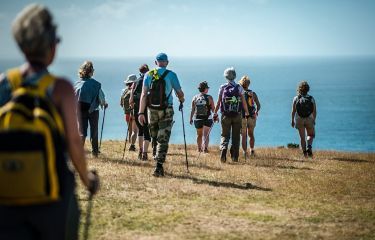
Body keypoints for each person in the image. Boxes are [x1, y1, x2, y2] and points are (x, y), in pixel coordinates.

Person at [0, 4, 99, 239]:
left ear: (22, 46)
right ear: (52, 48)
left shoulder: (4, 82)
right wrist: (89, 180)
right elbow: (75, 143)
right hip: (50, 196)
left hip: (6, 194)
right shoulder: (60, 88)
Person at [138, 53, 185, 177]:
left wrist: (140, 112)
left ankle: (155, 152)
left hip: (151, 110)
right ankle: (158, 166)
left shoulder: (148, 75)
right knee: (163, 138)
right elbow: (179, 92)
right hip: (166, 110)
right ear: (167, 62)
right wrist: (182, 99)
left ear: (155, 62)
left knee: (154, 135)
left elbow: (143, 94)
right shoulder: (172, 75)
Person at [213, 67, 250, 162]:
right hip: (237, 115)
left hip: (225, 115)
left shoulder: (222, 87)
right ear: (235, 76)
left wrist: (215, 112)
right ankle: (234, 157)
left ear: (226, 77)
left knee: (224, 135)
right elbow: (244, 102)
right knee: (236, 136)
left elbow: (218, 102)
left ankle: (223, 149)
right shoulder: (239, 87)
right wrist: (247, 112)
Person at [74, 61, 108, 157]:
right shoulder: (96, 84)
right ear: (90, 72)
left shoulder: (77, 84)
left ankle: (79, 152)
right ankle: (95, 152)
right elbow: (101, 97)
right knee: (94, 132)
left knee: (82, 132)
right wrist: (104, 104)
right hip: (93, 110)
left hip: (80, 110)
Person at [130, 64, 151, 160]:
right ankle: (145, 154)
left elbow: (131, 100)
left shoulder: (135, 82)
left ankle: (141, 150)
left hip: (136, 110)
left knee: (140, 131)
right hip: (146, 109)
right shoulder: (149, 81)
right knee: (147, 131)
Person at [291, 81, 317, 157]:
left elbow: (293, 111)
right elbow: (314, 111)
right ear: (308, 89)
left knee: (302, 137)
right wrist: (313, 120)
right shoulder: (311, 98)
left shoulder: (296, 98)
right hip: (309, 119)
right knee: (311, 134)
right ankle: (309, 147)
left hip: (299, 119)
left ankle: (304, 154)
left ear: (299, 89)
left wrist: (292, 120)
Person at [238, 75, 261, 158]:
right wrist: (256, 111)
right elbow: (258, 105)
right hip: (252, 116)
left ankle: (244, 152)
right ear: (248, 84)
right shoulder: (253, 93)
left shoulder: (239, 93)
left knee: (243, 135)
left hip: (242, 116)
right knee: (251, 134)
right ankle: (252, 149)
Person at [189, 81, 215, 153]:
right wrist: (216, 116)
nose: (208, 89)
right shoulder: (209, 97)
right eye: (207, 88)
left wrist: (190, 118)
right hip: (207, 118)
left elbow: (193, 109)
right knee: (206, 134)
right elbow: (213, 109)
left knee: (199, 134)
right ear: (205, 89)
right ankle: (205, 149)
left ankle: (199, 148)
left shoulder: (195, 98)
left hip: (197, 118)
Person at [120, 74, 138, 152]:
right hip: (134, 113)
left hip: (127, 113)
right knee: (135, 130)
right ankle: (132, 145)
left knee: (130, 130)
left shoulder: (124, 91)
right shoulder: (135, 91)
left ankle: (130, 143)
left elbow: (121, 103)